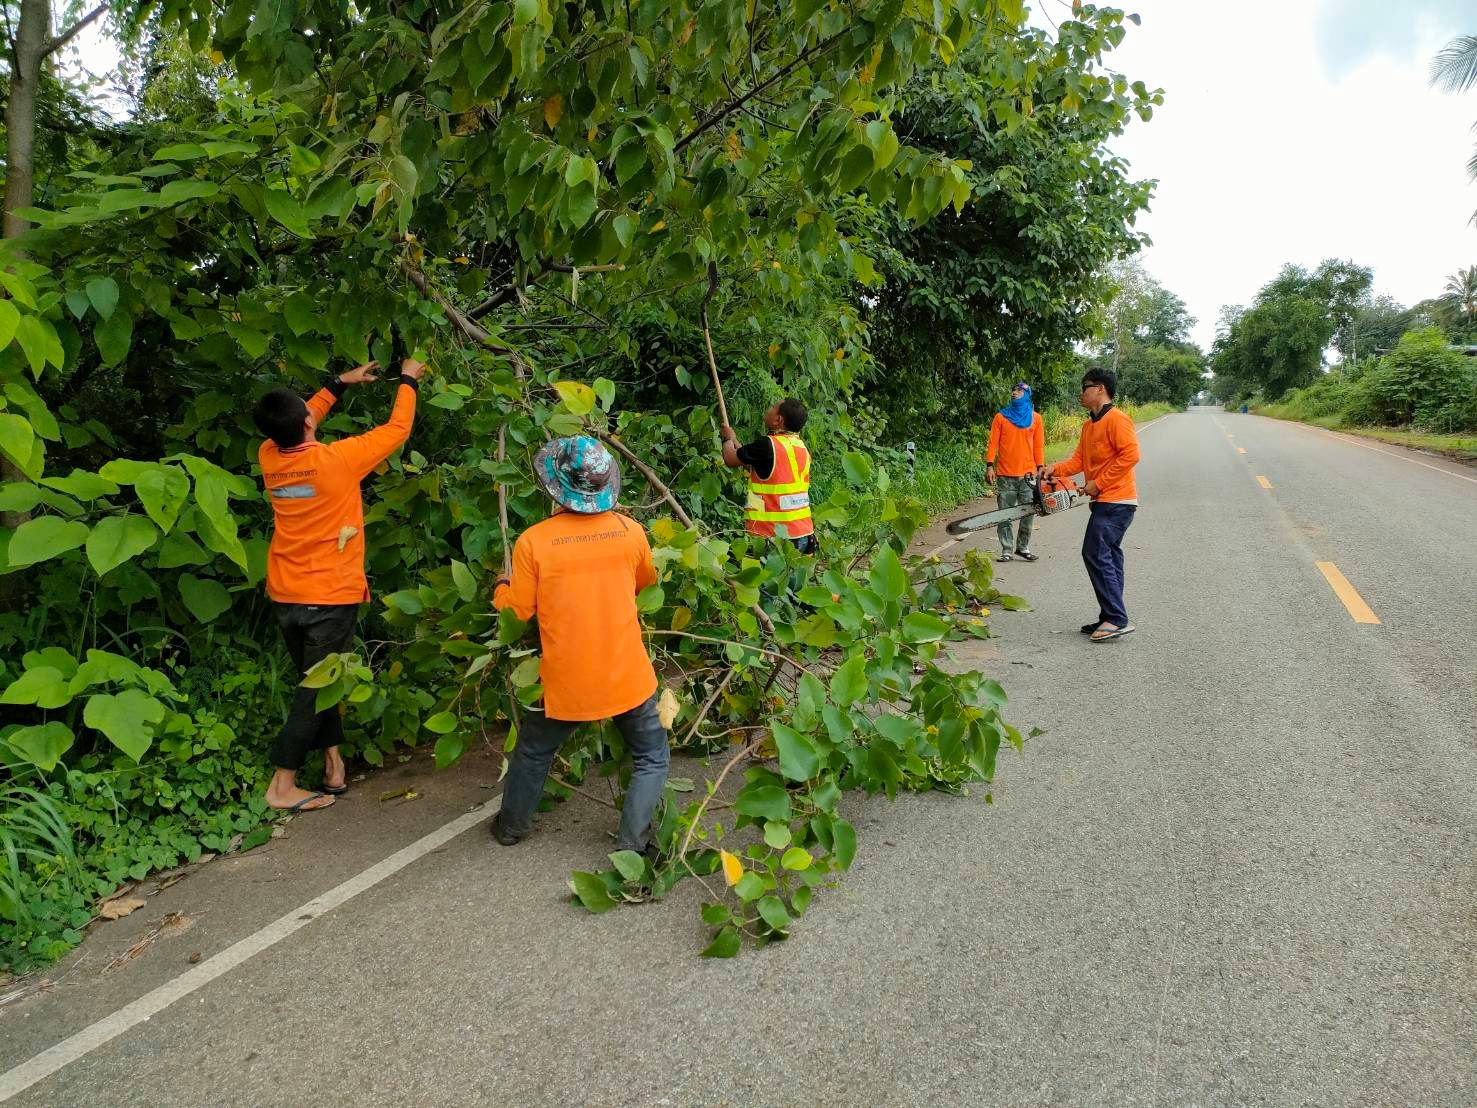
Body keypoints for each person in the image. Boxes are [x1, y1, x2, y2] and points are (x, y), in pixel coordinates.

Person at [253, 357, 425, 812]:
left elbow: (301, 417)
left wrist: (338, 384)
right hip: (328, 597)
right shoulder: (338, 461)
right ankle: (282, 785)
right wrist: (408, 380)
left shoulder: (269, 455)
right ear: (307, 423)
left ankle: (334, 767)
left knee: (319, 682)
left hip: (286, 593)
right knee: (315, 690)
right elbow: (396, 430)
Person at [490, 435, 670, 853]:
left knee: (535, 749)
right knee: (651, 756)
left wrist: (501, 587)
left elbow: (516, 612)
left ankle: (511, 827)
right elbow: (645, 584)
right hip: (627, 674)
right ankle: (631, 847)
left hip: (566, 680)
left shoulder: (533, 542)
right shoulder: (630, 531)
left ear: (555, 486)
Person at [1041, 367, 1141, 643]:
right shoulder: (1089, 426)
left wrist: (1100, 483)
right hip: (1105, 501)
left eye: (1085, 387)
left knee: (1095, 552)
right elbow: (1078, 461)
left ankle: (1116, 619)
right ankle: (1110, 614)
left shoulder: (1117, 419)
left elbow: (1131, 455)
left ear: (1100, 389)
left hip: (1117, 500)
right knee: (1109, 555)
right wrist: (1054, 469)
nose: (1081, 393)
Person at [985, 381, 1046, 563]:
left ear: (1027, 394)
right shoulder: (1001, 417)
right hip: (1005, 475)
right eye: (1013, 390)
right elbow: (993, 443)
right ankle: (1006, 549)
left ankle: (1023, 547)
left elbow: (1038, 446)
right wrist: (989, 465)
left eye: (1019, 390)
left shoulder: (1036, 419)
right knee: (1005, 514)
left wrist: (1040, 468)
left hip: (1028, 475)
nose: (1014, 392)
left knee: (1028, 512)